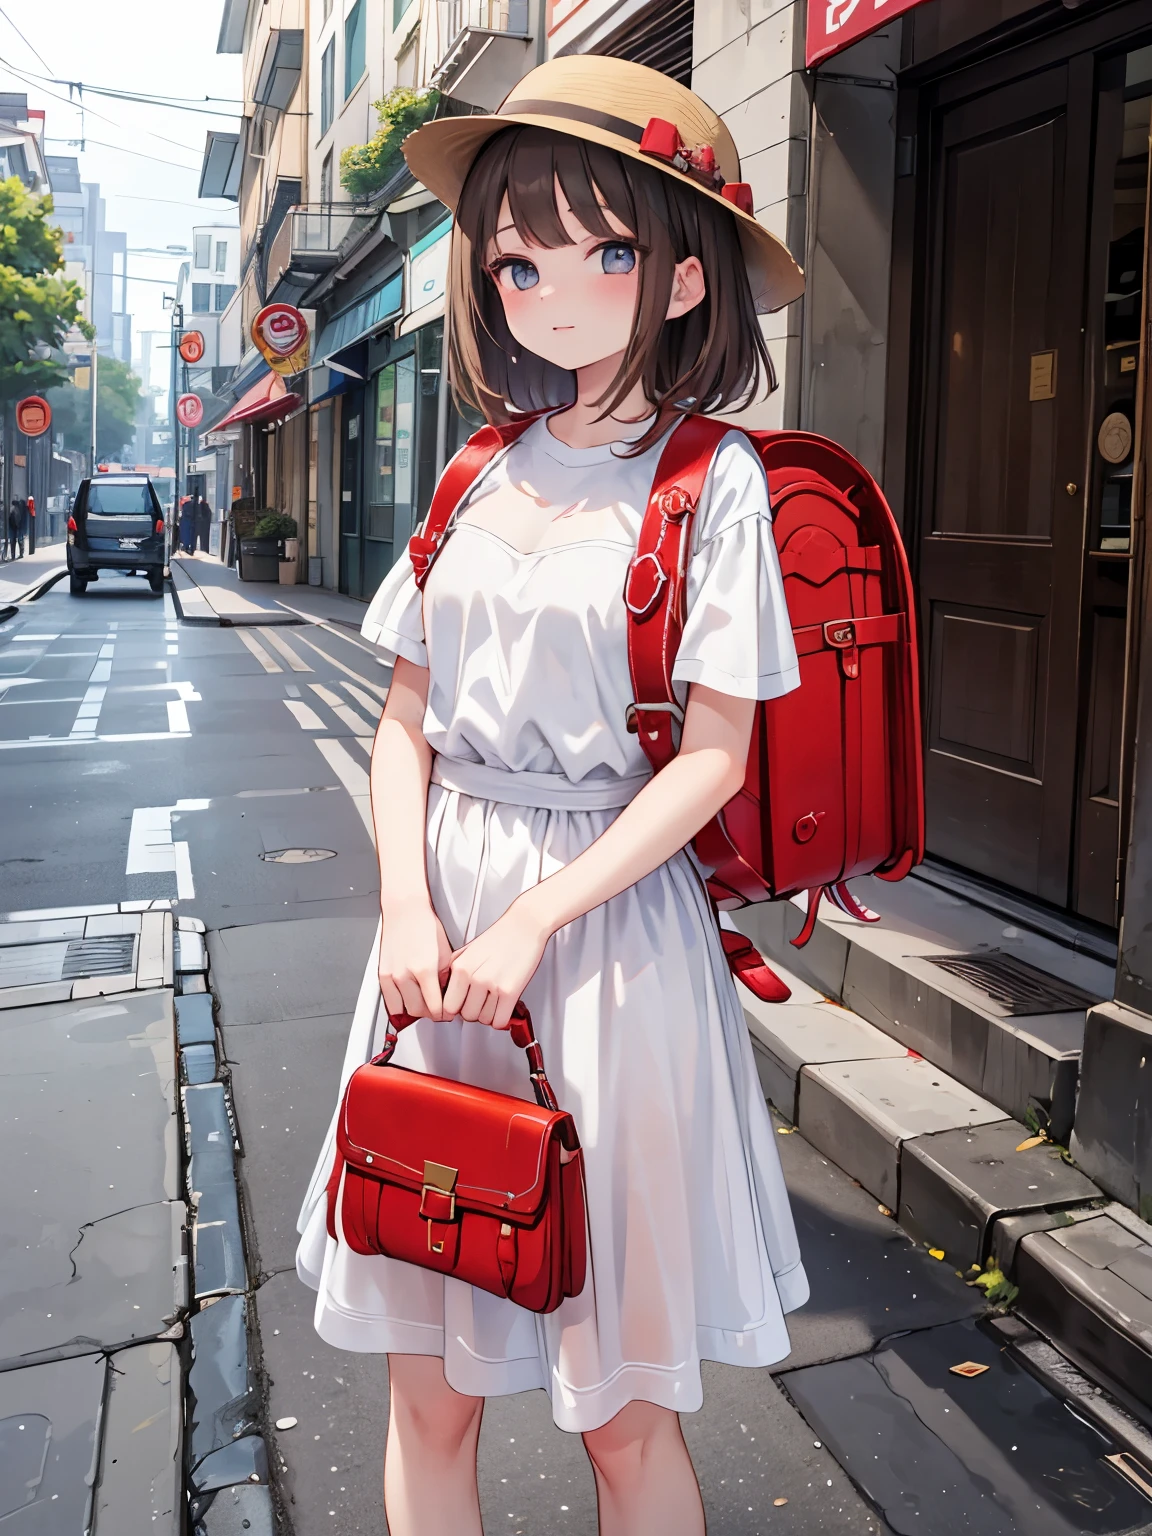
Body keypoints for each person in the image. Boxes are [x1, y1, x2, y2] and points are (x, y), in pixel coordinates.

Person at [296, 56, 809, 1536]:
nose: (552, 291)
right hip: (439, 947)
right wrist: (408, 900)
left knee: (621, 1419)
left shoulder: (713, 484)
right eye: (519, 257)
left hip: (612, 952)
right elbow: (409, 722)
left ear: (687, 277)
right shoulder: (468, 477)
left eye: (605, 250)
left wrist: (531, 922)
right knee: (421, 1387)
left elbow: (715, 756)